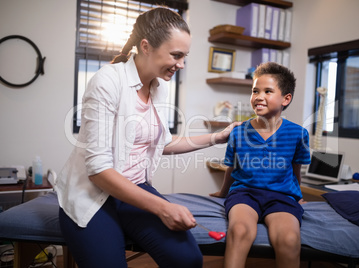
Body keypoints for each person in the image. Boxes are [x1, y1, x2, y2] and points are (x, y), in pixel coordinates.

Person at [56, 7, 239, 268]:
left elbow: (162, 143)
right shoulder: (107, 81)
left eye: (184, 56)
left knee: (187, 259)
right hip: (92, 192)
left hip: (133, 189)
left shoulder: (159, 87)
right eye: (176, 55)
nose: (181, 64)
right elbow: (98, 170)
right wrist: (163, 207)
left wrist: (216, 137)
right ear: (146, 46)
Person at [210, 62, 311, 268]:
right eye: (255, 90)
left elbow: (295, 170)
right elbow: (231, 168)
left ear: (286, 98)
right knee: (239, 231)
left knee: (289, 239)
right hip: (244, 193)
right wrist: (222, 192)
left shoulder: (298, 134)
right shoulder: (238, 132)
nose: (258, 96)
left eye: (267, 91)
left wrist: (298, 196)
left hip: (282, 197)